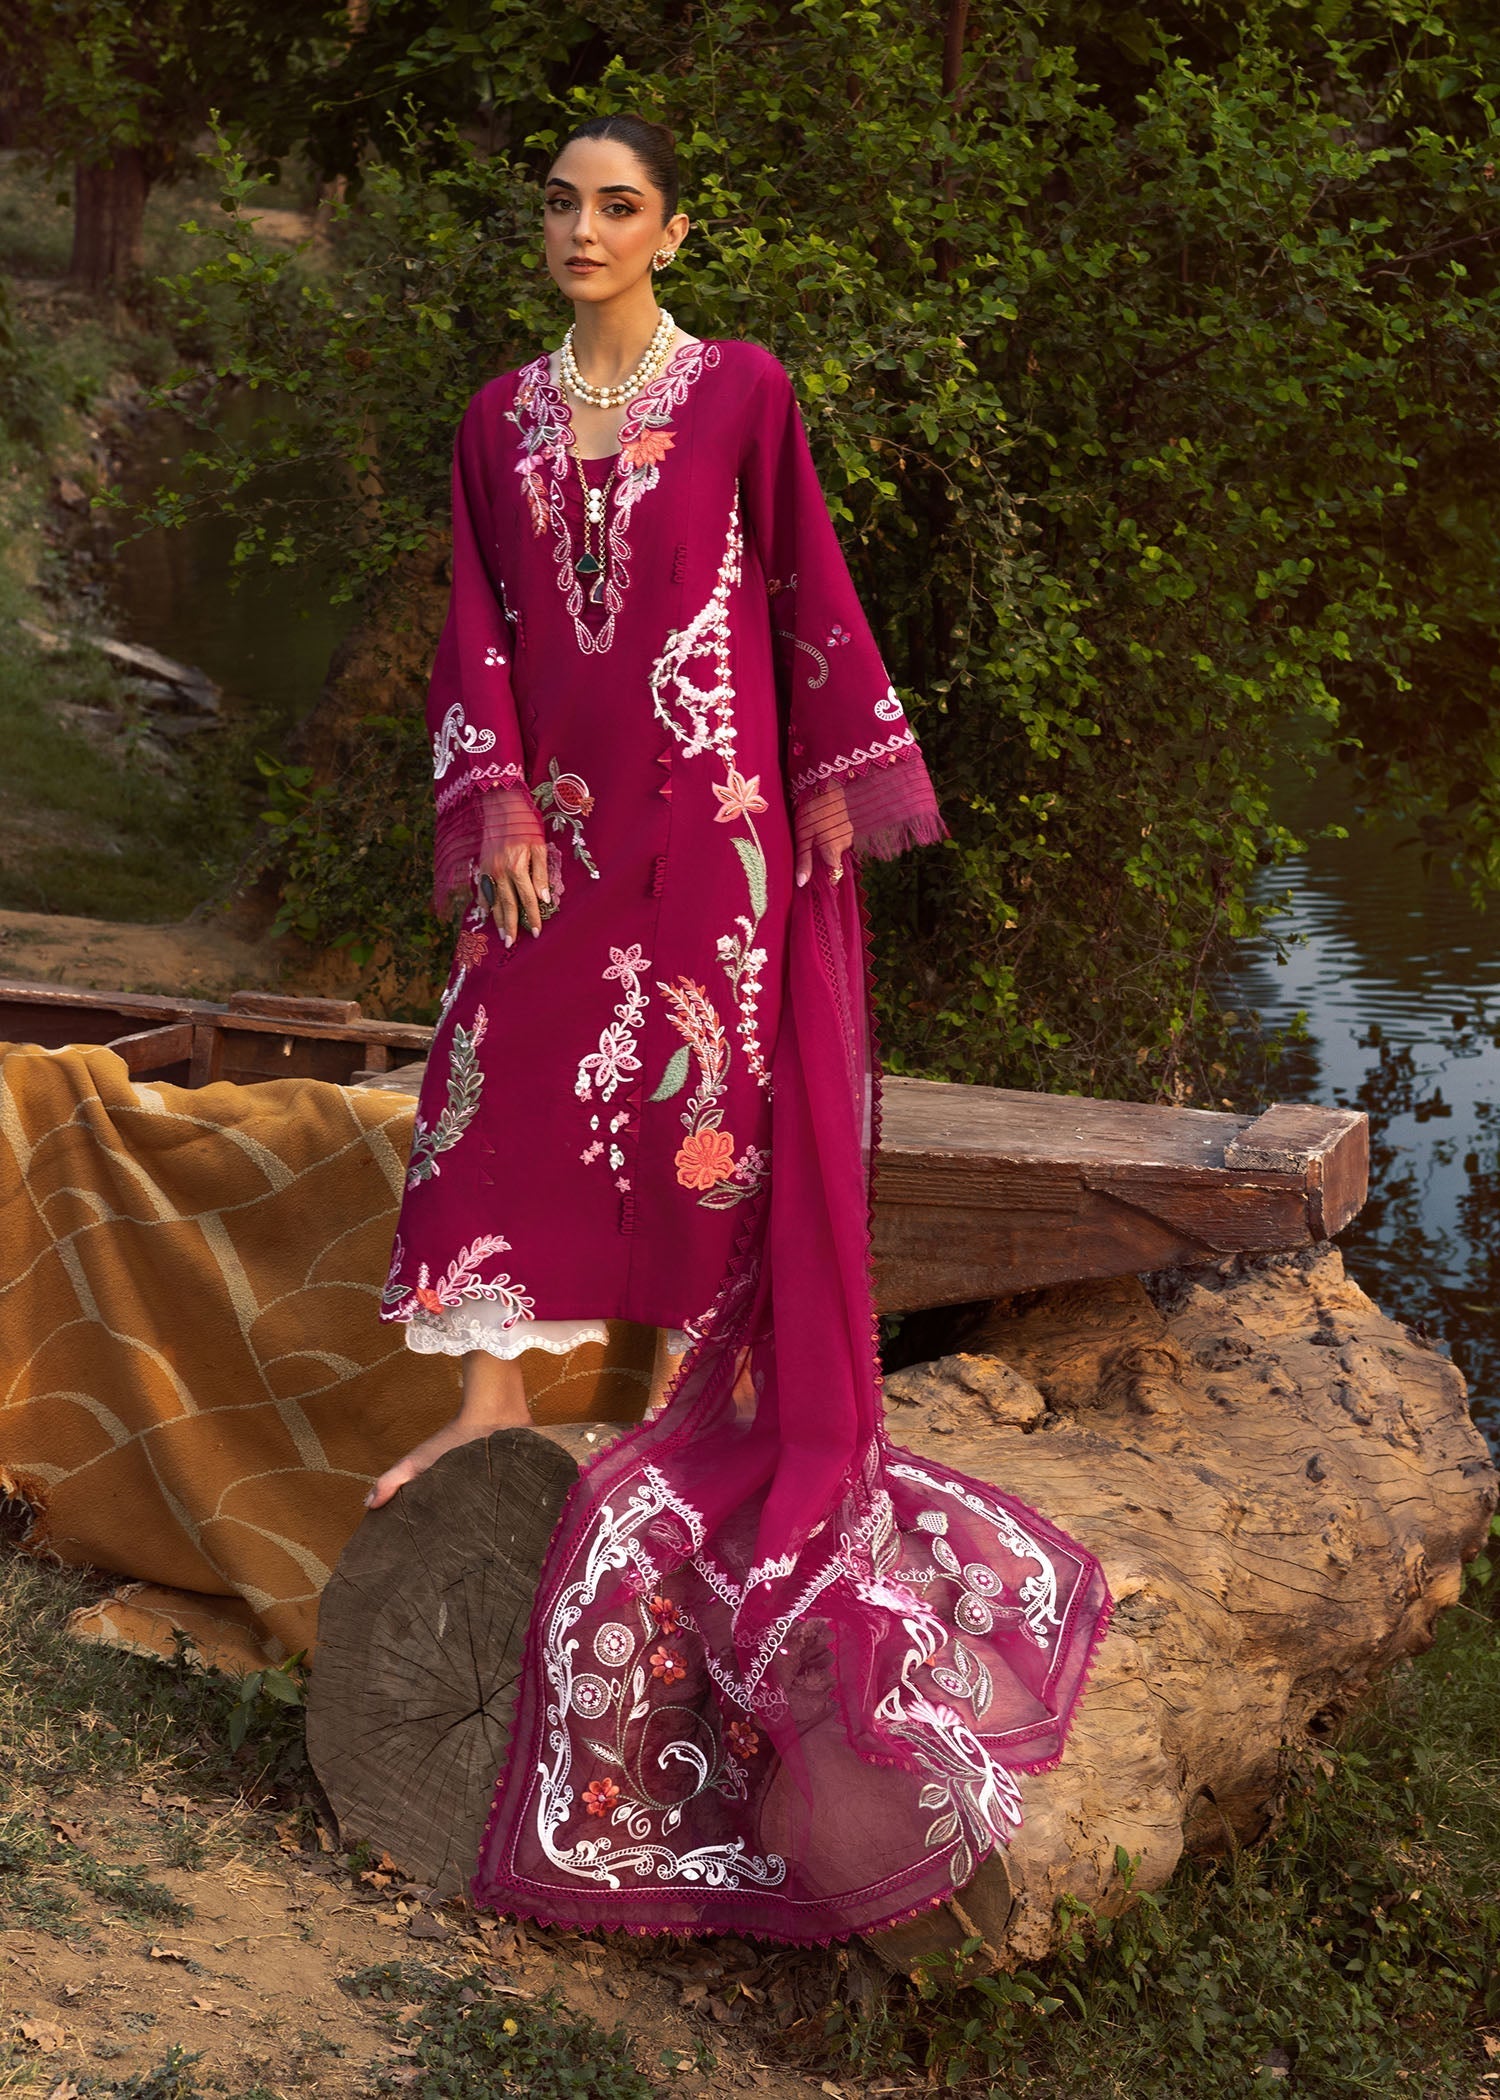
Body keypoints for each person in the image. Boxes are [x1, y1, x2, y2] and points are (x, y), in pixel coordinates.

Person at [375, 113, 1111, 1943]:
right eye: (562, 203)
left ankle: (687, 1411)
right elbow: (477, 621)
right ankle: (492, 1406)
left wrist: (833, 788)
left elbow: (806, 589)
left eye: (617, 206)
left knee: (710, 1107)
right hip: (557, 816)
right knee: (495, 1080)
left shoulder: (743, 393)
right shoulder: (495, 420)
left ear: (674, 230)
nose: (583, 229)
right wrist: (498, 799)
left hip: (714, 818)